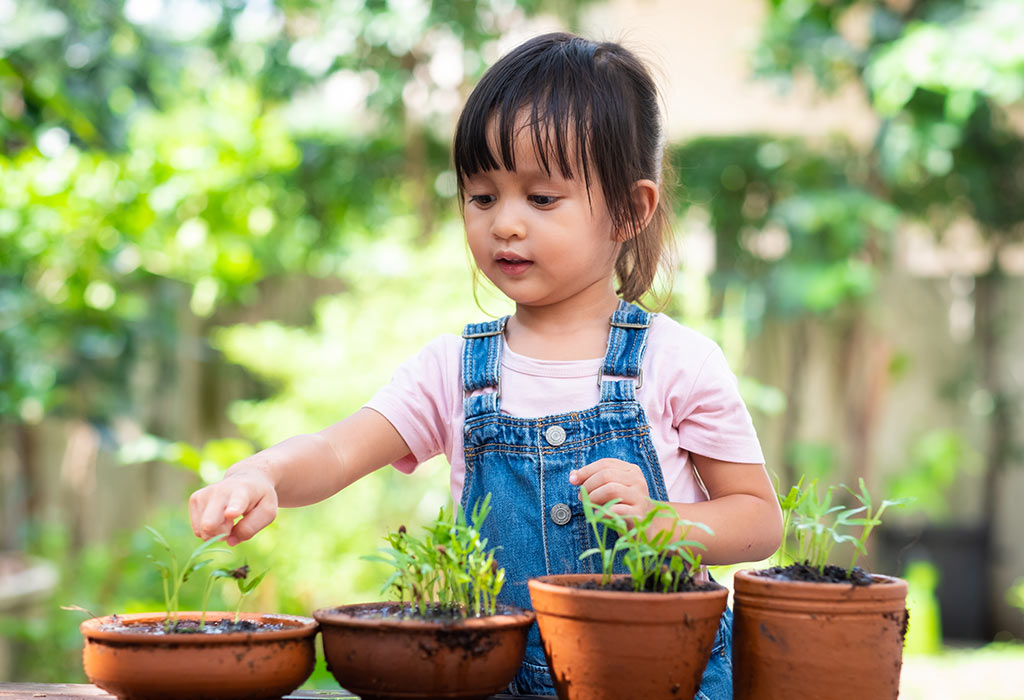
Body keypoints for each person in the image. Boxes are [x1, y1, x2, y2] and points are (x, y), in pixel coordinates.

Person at [189, 32, 782, 698]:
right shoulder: (455, 371)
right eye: (482, 197)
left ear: (629, 210)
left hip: (663, 680)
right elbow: (334, 452)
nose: (504, 223)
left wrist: (659, 519)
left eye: (542, 198)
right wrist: (261, 473)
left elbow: (759, 521)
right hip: (494, 682)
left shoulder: (677, 362)